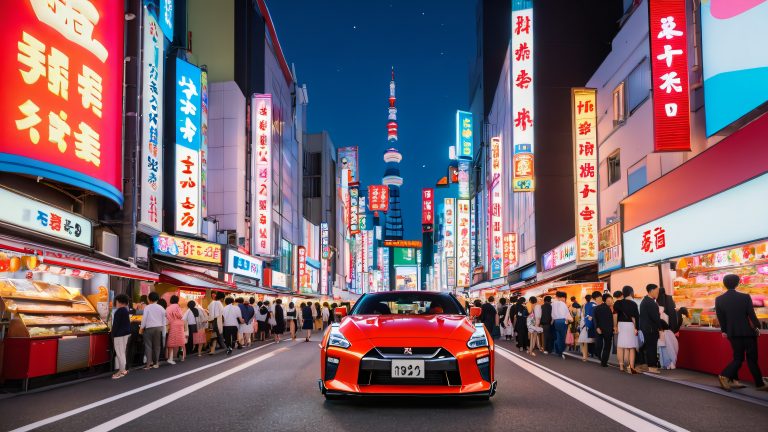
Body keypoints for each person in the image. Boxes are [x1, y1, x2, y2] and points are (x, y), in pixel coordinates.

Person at [715, 274, 766, 392]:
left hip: (732, 333)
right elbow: (751, 315)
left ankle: (732, 380)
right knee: (752, 359)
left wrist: (724, 331)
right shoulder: (745, 297)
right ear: (737, 283)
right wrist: (758, 327)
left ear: (724, 284)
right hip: (748, 332)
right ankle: (726, 376)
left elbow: (721, 318)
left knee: (738, 358)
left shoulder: (719, 299)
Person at [614, 285, 639, 374]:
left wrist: (615, 326)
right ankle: (631, 367)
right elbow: (635, 317)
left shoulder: (618, 303)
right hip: (630, 325)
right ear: (631, 292)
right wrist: (636, 328)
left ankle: (621, 366)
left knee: (620, 346)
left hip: (621, 325)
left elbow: (615, 315)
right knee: (631, 347)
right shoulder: (634, 304)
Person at [639, 284, 662, 374]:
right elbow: (655, 317)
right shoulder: (650, 302)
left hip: (646, 328)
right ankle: (652, 367)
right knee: (651, 347)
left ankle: (648, 366)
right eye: (657, 291)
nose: (658, 293)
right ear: (651, 290)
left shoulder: (645, 301)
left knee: (649, 347)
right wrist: (660, 328)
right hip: (651, 329)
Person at [139, 292, 166, 369]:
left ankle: (148, 365)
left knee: (148, 346)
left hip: (149, 328)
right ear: (157, 299)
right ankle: (156, 363)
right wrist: (163, 331)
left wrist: (141, 328)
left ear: (149, 299)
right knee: (157, 346)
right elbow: (164, 321)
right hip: (159, 328)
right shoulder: (161, 308)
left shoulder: (147, 307)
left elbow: (144, 319)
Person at [111, 294, 131, 379]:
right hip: (126, 334)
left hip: (119, 334)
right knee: (122, 352)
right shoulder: (125, 310)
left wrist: (112, 334)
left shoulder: (118, 311)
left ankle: (121, 371)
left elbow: (115, 325)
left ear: (118, 302)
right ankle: (124, 370)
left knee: (120, 353)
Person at [593, 293, 614, 367]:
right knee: (606, 346)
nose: (611, 301)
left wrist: (597, 327)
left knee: (604, 345)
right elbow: (595, 318)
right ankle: (603, 361)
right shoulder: (600, 308)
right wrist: (597, 327)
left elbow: (594, 319)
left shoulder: (599, 308)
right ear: (605, 300)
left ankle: (603, 360)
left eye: (611, 300)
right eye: (609, 300)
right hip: (606, 330)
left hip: (603, 329)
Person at [165, 295, 186, 364]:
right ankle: (182, 356)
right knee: (181, 341)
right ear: (177, 300)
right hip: (180, 325)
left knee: (171, 342)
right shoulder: (178, 307)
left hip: (172, 325)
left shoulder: (168, 308)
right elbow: (181, 316)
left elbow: (166, 317)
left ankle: (170, 358)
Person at [552, 291, 573, 359]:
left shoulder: (553, 304)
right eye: (564, 298)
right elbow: (566, 314)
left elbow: (552, 314)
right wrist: (570, 319)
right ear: (562, 297)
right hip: (562, 321)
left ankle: (557, 351)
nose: (564, 299)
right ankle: (562, 351)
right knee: (563, 337)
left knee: (558, 336)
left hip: (556, 321)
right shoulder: (563, 304)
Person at [577, 294, 596, 361]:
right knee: (591, 341)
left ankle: (584, 356)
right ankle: (591, 354)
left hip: (584, 324)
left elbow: (583, 316)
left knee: (584, 341)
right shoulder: (593, 304)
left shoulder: (584, 306)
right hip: (592, 324)